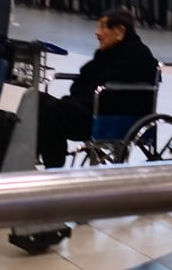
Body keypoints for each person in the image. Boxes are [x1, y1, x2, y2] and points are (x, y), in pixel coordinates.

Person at [37, 9, 159, 168]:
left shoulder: (138, 56)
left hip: (113, 117)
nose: (97, 32)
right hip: (93, 107)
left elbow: (109, 95)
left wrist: (85, 92)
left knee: (52, 111)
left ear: (119, 31)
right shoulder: (106, 53)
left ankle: (54, 168)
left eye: (102, 27)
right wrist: (85, 92)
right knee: (36, 100)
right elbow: (81, 82)